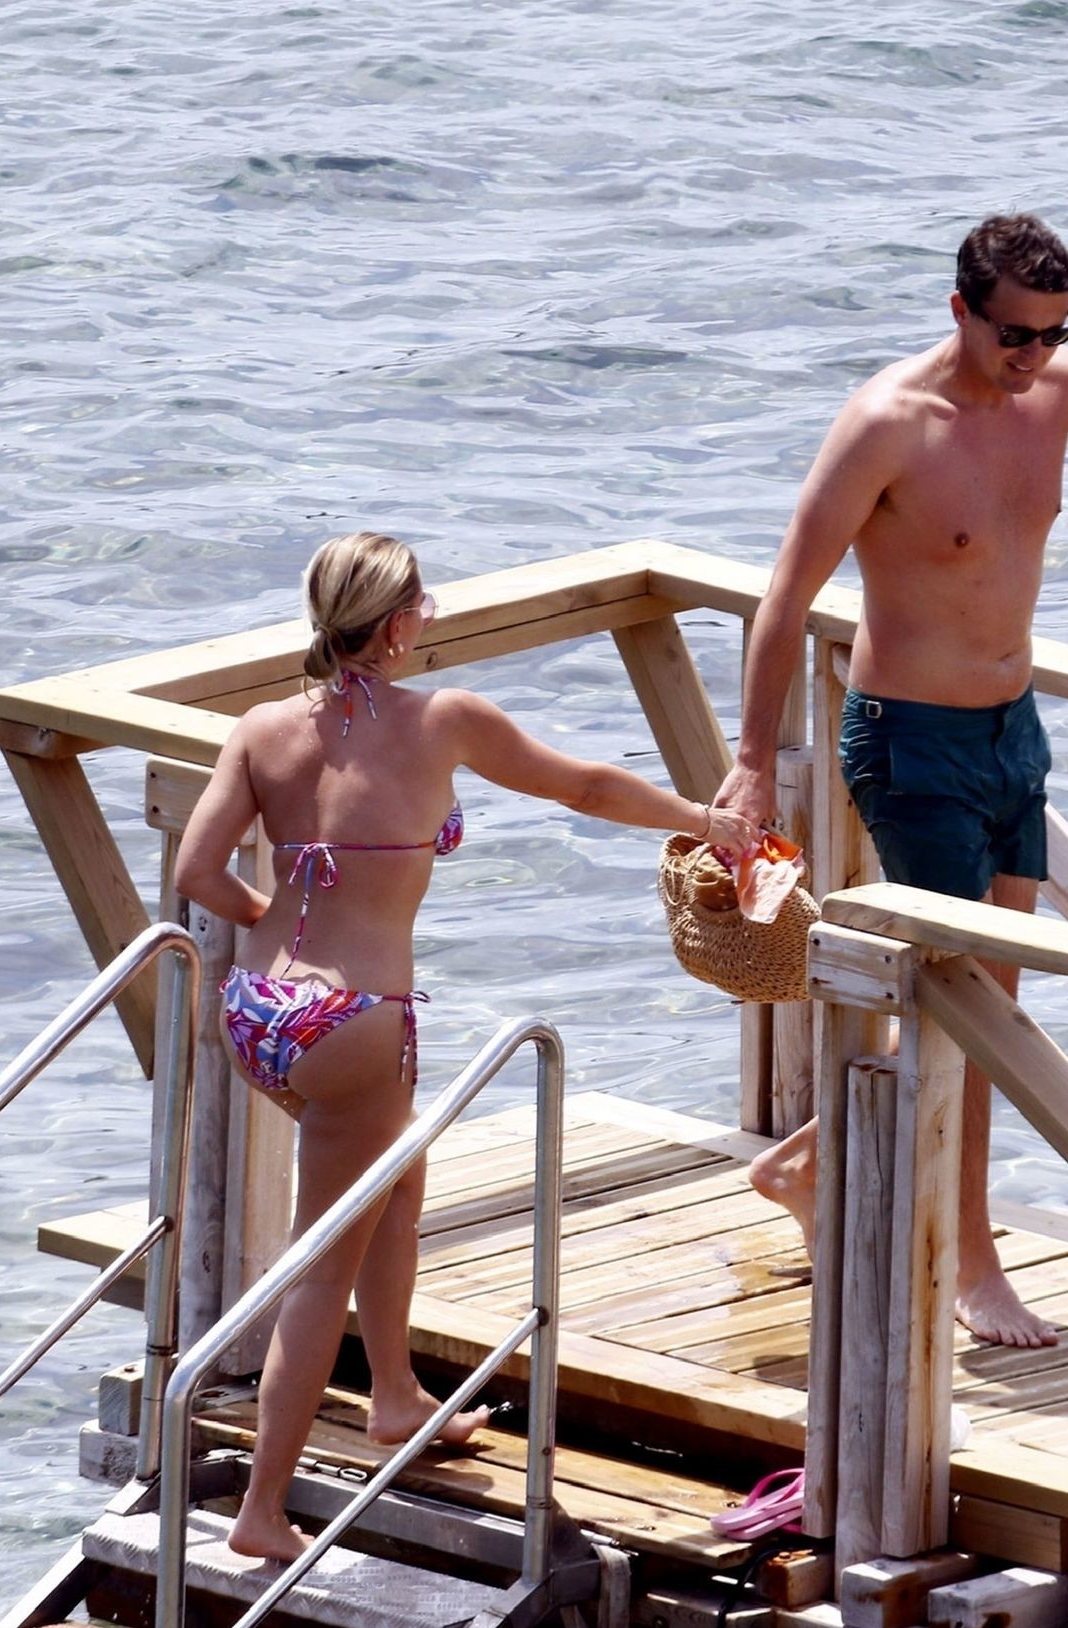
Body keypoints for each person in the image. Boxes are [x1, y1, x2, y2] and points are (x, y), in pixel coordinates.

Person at [175, 531, 756, 1560]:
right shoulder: (444, 720)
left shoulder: (260, 729)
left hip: (257, 1011)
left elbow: (197, 871)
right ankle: (262, 1513)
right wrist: (702, 821)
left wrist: (271, 924)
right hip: (355, 1024)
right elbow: (585, 786)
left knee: (396, 1177)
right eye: (424, 605)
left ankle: (396, 1395)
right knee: (321, 1267)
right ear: (399, 623)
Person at [714, 212, 1068, 1349]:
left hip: (1013, 735)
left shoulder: (1060, 388)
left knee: (992, 1000)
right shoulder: (889, 424)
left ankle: (809, 1166)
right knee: (972, 1009)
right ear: (960, 309)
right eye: (1014, 334)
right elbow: (785, 595)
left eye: (1053, 333)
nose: (1033, 357)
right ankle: (972, 1260)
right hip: (911, 744)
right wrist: (750, 764)